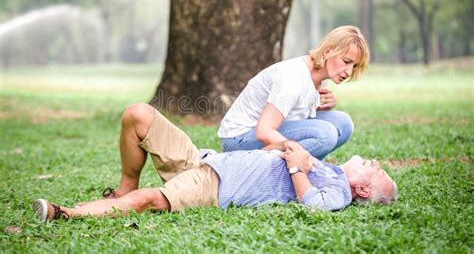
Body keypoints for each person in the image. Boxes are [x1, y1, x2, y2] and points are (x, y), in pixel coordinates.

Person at [33, 104, 397, 222]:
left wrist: (297, 164)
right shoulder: (329, 170)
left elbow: (314, 208)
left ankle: (67, 213)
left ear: (362, 188)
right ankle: (123, 186)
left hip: (215, 187)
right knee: (138, 115)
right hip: (205, 159)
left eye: (376, 170)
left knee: (150, 199)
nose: (374, 161)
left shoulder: (338, 192)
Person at [218, 25, 369, 160]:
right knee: (325, 134)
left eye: (354, 66)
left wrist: (319, 105)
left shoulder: (321, 77)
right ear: (328, 51)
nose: (349, 71)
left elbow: (293, 111)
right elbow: (264, 131)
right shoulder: (292, 77)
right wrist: (297, 152)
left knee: (343, 123)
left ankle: (303, 171)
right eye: (346, 61)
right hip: (238, 140)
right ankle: (291, 171)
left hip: (264, 131)